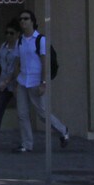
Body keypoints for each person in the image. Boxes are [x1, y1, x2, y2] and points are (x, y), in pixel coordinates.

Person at [14, 9, 69, 152]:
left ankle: (63, 130)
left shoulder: (40, 40)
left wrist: (43, 83)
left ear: (32, 21)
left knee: (42, 113)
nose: (23, 21)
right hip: (22, 81)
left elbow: (45, 62)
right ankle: (27, 144)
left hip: (35, 81)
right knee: (22, 114)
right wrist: (12, 78)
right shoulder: (19, 40)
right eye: (21, 19)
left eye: (26, 19)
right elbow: (18, 61)